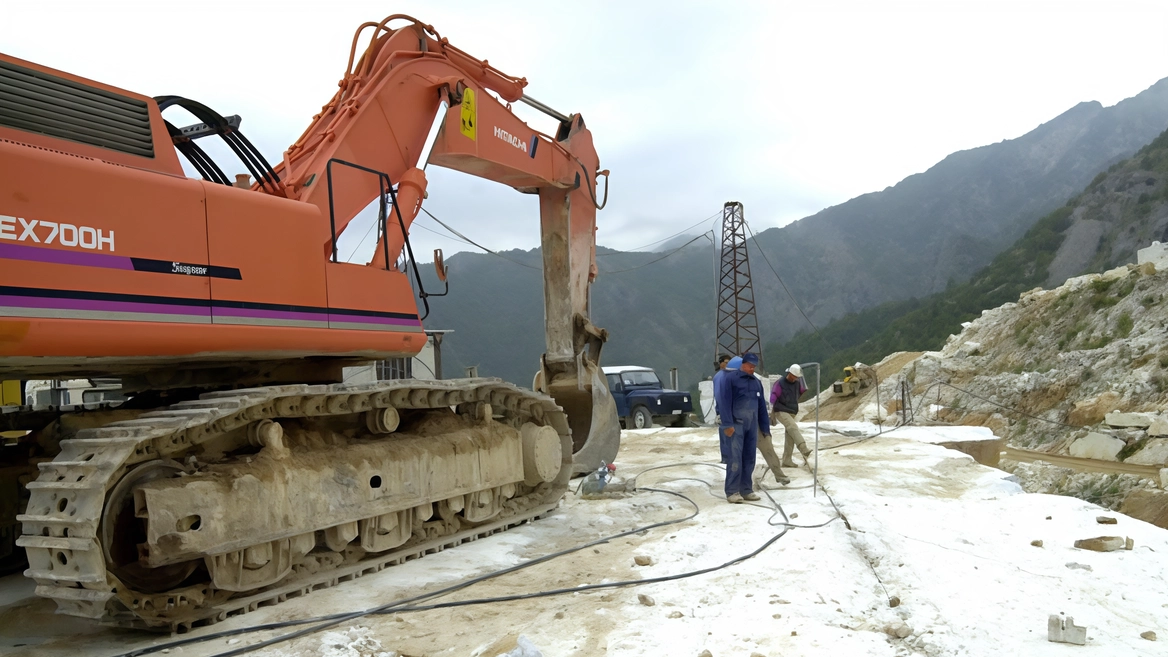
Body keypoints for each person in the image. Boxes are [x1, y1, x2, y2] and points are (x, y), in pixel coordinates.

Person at [715, 353, 770, 503]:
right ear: (742, 365)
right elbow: (724, 403)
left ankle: (746, 490)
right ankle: (732, 491)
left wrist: (765, 428)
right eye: (750, 365)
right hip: (735, 425)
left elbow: (761, 407)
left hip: (751, 426)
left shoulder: (756, 382)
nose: (752, 368)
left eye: (754, 366)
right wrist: (727, 424)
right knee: (735, 458)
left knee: (749, 458)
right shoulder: (730, 380)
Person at [770, 363, 812, 468]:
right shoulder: (780, 383)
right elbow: (773, 396)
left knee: (790, 435)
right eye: (794, 376)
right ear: (789, 373)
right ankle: (803, 448)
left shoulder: (797, 383)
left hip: (792, 411)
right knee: (793, 427)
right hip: (781, 409)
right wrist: (772, 412)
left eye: (797, 377)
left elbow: (802, 391)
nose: (795, 378)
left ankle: (786, 460)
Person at [712, 355, 740, 464]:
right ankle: (728, 459)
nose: (728, 365)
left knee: (728, 434)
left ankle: (727, 458)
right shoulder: (723, 377)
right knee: (728, 433)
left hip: (726, 409)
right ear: (721, 363)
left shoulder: (720, 376)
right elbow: (719, 395)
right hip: (727, 409)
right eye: (726, 362)